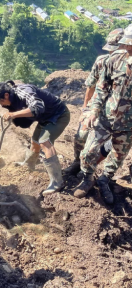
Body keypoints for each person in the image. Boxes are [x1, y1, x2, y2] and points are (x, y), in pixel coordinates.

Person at [73, 27, 132, 204]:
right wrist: (93, 110)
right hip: (105, 118)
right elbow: (101, 88)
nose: (128, 48)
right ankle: (88, 179)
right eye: (127, 45)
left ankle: (105, 179)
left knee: (118, 156)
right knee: (88, 151)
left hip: (128, 125)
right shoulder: (114, 60)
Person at [0, 81, 70, 196]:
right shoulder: (11, 97)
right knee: (35, 142)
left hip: (59, 114)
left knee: (45, 142)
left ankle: (57, 182)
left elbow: (38, 106)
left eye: (1, 101)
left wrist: (14, 114)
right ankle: (29, 164)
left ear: (6, 95)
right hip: (45, 118)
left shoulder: (23, 91)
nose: (2, 105)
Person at [63, 28, 125, 177]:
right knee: (81, 136)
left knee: (112, 144)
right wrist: (85, 108)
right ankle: (78, 162)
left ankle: (94, 169)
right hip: (96, 105)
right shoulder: (101, 61)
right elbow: (91, 86)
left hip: (118, 110)